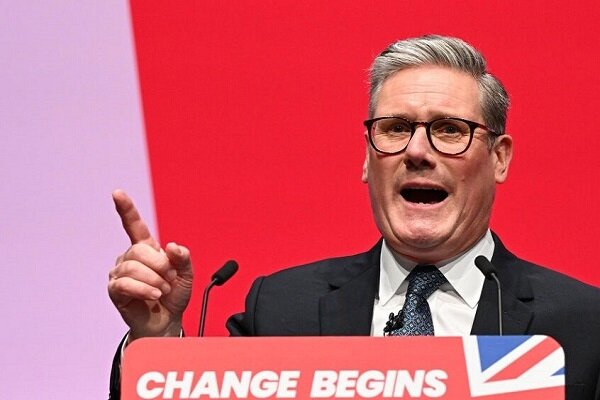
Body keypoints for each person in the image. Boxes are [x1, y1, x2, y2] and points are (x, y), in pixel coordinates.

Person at [108, 35, 600, 399]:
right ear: (367, 159)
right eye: (396, 128)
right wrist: (157, 342)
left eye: (450, 130)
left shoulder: (585, 323)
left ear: (499, 158)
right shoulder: (282, 310)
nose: (417, 151)